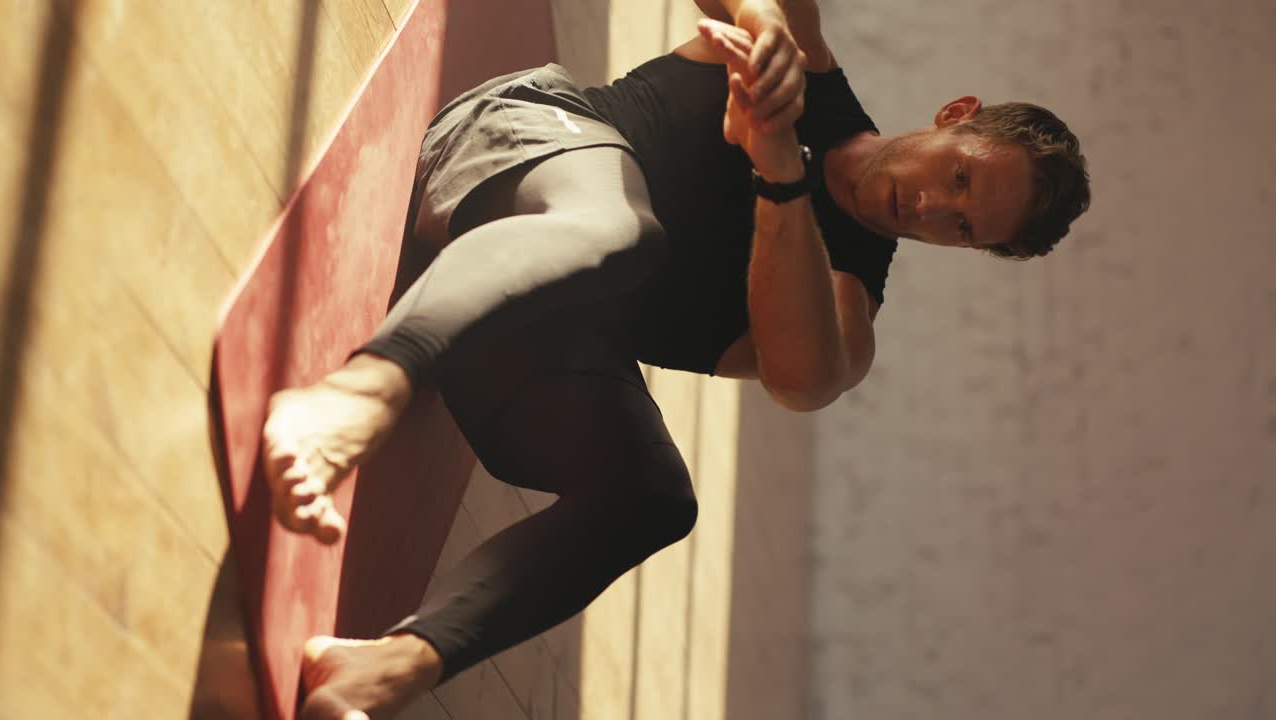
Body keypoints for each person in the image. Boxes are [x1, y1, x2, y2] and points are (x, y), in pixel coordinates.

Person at [262, 0, 1091, 717]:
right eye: (960, 177)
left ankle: (389, 665)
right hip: (504, 145)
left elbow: (803, 381)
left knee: (655, 497)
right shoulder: (807, 68)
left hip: (515, 332)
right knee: (619, 230)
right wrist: (761, 24)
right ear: (954, 115)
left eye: (962, 226)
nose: (933, 206)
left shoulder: (846, 312)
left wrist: (779, 172)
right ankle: (360, 391)